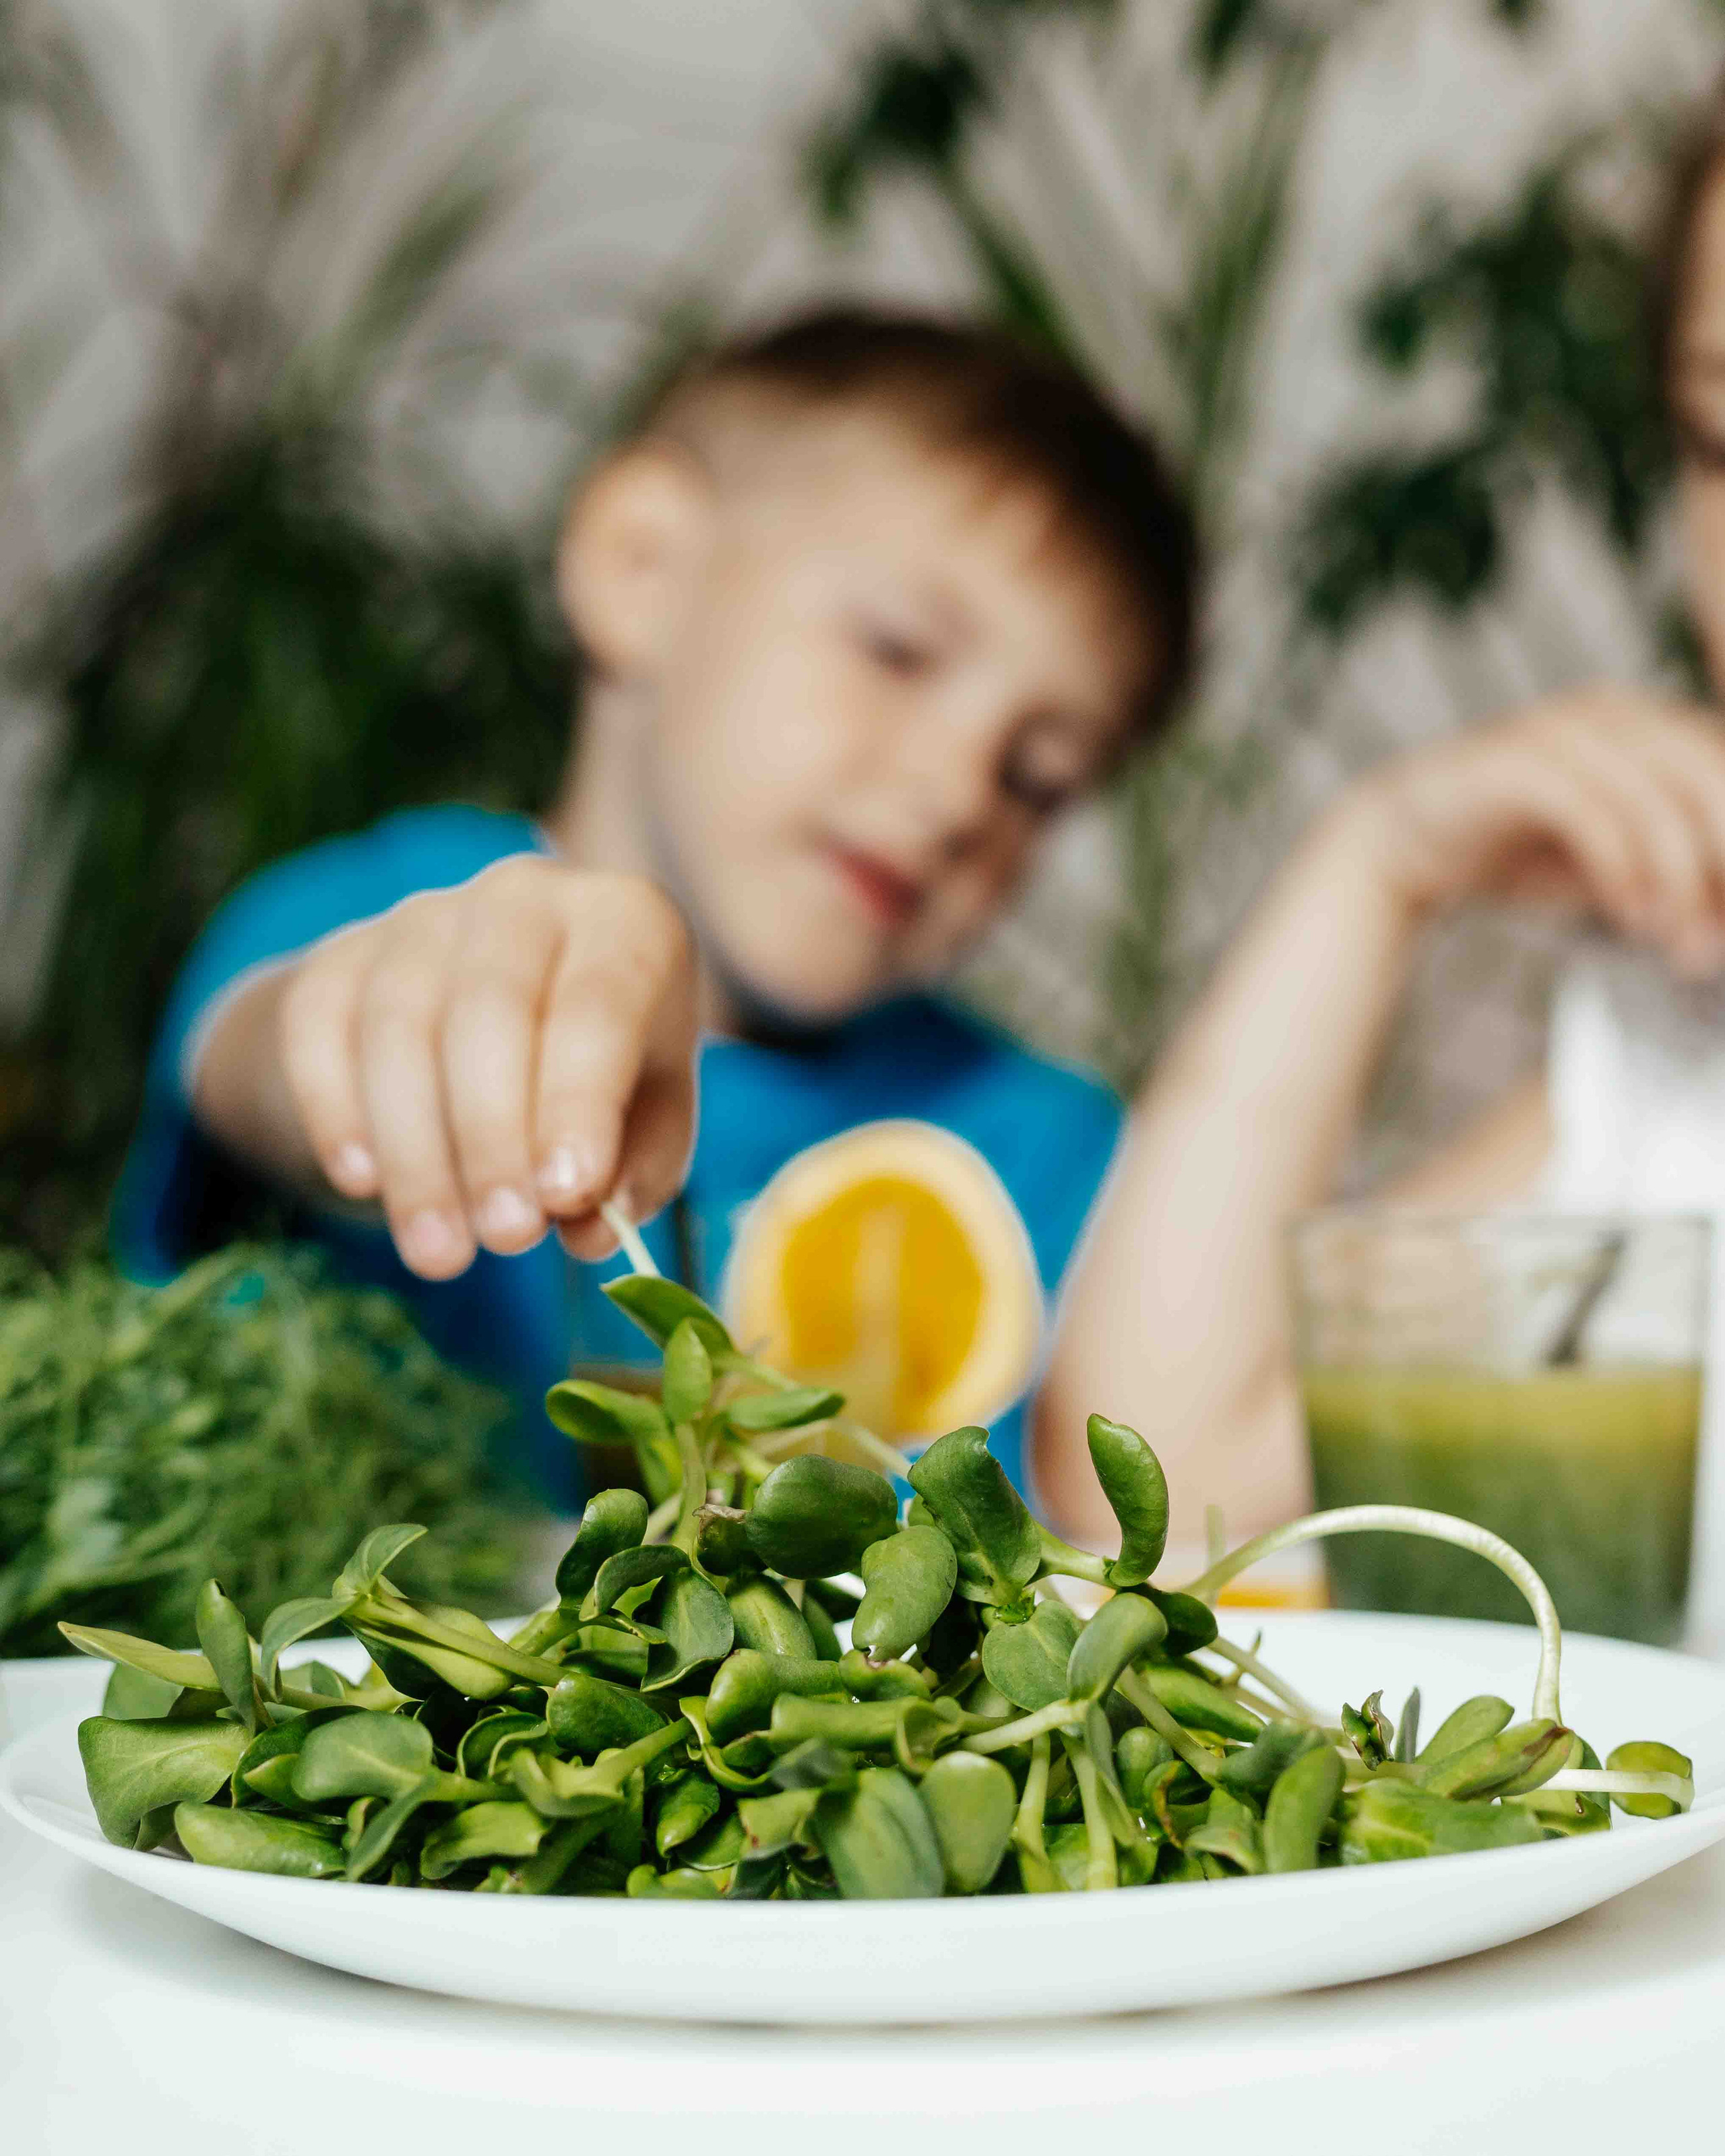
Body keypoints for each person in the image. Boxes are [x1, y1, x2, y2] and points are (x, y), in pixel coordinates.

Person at [115, 303, 1725, 1544]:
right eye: (894, 649)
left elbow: (1161, 1492)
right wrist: (443, 996)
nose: (963, 788)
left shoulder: (1045, 1152)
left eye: (1041, 776)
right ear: (639, 565)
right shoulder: (378, 922)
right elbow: (275, 1051)